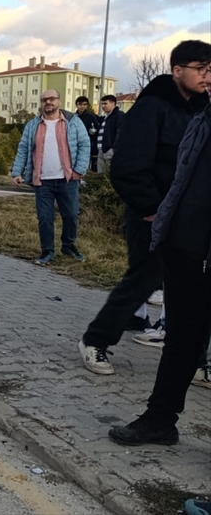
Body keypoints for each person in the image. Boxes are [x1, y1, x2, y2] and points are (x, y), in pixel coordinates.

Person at [78, 40, 211, 376]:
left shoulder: (198, 108)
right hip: (151, 214)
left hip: (188, 216)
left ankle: (194, 362)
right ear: (178, 70)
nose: (207, 77)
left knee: (189, 291)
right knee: (142, 280)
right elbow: (128, 164)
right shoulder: (152, 107)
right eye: (201, 69)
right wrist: (150, 207)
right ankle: (95, 341)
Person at [108, 73, 211, 446]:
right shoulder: (202, 119)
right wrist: (164, 222)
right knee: (181, 341)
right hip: (186, 247)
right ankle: (159, 421)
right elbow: (183, 178)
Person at [10, 89, 90, 266]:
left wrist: (79, 170)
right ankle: (47, 251)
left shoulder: (73, 122)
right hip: (42, 180)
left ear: (59, 101)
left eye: (52, 99)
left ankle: (68, 245)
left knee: (71, 215)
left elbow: (85, 145)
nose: (48, 102)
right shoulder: (33, 125)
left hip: (68, 179)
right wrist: (17, 172)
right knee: (45, 218)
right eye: (45, 99)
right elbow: (23, 148)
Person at [95, 95, 124, 173]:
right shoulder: (106, 117)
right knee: (101, 175)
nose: (103, 106)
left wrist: (113, 149)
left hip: (110, 151)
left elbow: (121, 133)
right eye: (102, 104)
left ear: (113, 103)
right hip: (101, 150)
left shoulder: (119, 116)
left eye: (105, 103)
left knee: (110, 174)